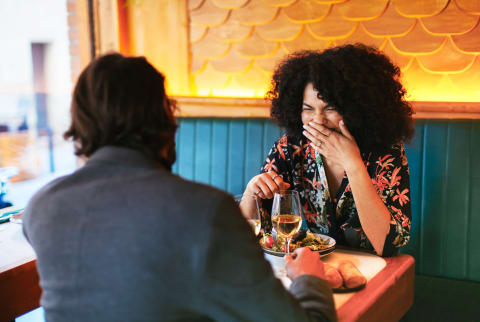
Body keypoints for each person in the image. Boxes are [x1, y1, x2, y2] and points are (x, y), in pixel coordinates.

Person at [22, 53, 337, 322]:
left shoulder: (40, 208)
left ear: (79, 125)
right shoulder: (205, 210)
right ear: (165, 121)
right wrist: (310, 277)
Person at [244, 44, 414, 257]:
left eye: (330, 108)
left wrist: (353, 164)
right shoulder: (290, 149)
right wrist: (252, 191)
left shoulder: (384, 151)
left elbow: (387, 244)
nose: (318, 120)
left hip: (375, 268)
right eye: (308, 109)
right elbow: (244, 236)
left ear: (356, 108)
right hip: (313, 266)